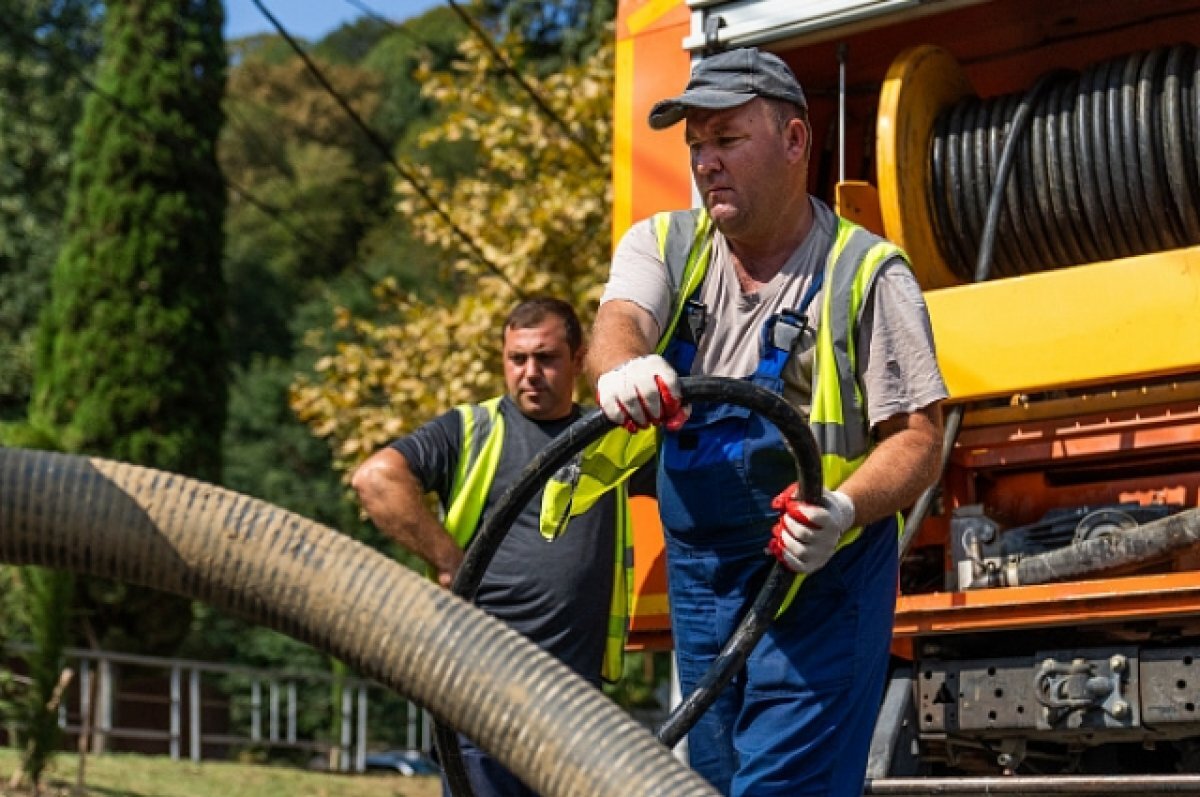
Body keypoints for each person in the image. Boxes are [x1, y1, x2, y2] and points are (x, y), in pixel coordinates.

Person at [587, 47, 947, 796]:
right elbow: (620, 320)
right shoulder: (666, 246)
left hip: (820, 576)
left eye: (727, 140)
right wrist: (623, 367)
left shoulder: (868, 273)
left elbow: (916, 436)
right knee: (715, 784)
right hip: (702, 576)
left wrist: (843, 509)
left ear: (793, 142)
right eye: (696, 147)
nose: (706, 163)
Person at [351, 297, 629, 797]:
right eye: (516, 359)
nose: (530, 373)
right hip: (483, 694)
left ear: (579, 359)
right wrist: (451, 563)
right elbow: (376, 481)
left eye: (546, 358)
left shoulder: (608, 437)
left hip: (577, 707)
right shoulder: (470, 431)